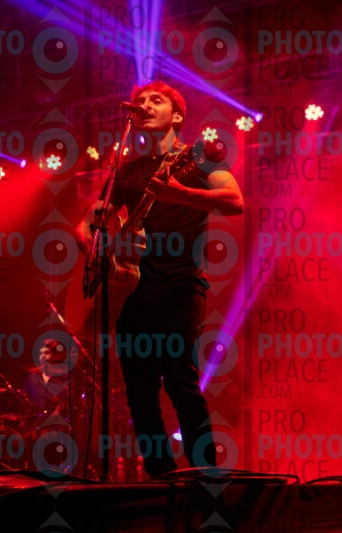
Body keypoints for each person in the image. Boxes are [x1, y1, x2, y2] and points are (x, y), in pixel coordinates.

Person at [77, 82, 243, 478]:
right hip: (132, 293)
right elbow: (84, 227)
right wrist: (101, 256)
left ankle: (206, 476)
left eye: (156, 100)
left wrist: (181, 195)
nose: (144, 106)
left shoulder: (198, 156)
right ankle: (161, 476)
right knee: (139, 393)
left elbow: (234, 201)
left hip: (180, 284)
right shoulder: (127, 171)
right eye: (139, 101)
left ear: (178, 115)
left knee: (181, 381)